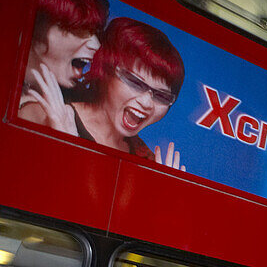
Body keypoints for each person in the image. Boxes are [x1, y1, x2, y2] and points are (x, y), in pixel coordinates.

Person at [56, 18, 185, 167]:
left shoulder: (146, 159)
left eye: (161, 96)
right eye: (135, 83)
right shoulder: (48, 113)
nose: (146, 103)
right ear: (106, 71)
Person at [19, 0, 109, 129]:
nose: (97, 45)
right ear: (35, 26)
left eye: (96, 33)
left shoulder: (83, 102)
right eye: (79, 28)